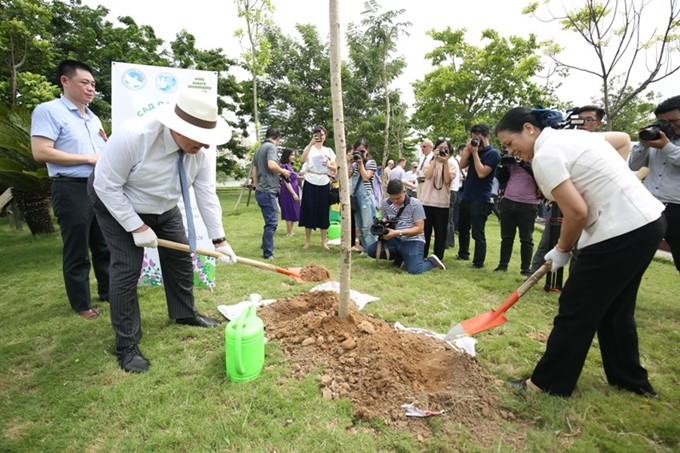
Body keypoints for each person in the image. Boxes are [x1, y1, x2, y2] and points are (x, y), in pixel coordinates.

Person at [496, 106, 665, 398]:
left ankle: (547, 384)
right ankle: (629, 379)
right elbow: (623, 139)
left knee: (576, 308)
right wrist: (610, 185)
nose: (512, 152)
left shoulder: (546, 156)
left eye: (511, 144)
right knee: (617, 308)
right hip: (648, 223)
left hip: (618, 232)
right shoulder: (578, 138)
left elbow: (576, 212)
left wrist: (561, 250)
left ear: (528, 128)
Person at [88, 89, 238, 373]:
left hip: (164, 207)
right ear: (177, 127)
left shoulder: (200, 152)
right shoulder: (134, 136)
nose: (206, 145)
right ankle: (127, 346)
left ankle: (184, 314)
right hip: (117, 203)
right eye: (200, 137)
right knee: (127, 268)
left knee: (180, 261)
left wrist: (220, 240)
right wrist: (137, 226)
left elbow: (205, 194)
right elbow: (106, 186)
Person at [30, 59, 110, 320]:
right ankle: (81, 304)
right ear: (65, 81)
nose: (91, 89)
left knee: (104, 243)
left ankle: (109, 291)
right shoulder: (49, 111)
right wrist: (88, 158)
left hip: (99, 186)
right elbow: (41, 152)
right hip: (70, 187)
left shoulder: (93, 116)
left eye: (93, 84)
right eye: (84, 82)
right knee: (77, 247)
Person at [629, 95, 680, 273]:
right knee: (633, 258)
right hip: (650, 205)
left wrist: (666, 146)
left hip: (677, 208)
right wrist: (643, 144)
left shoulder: (664, 144)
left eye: (673, 120)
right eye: (664, 122)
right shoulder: (658, 139)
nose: (670, 126)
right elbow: (634, 165)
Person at [365, 180, 446, 274]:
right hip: (394, 239)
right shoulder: (385, 204)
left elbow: (420, 229)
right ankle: (401, 258)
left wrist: (398, 232)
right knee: (371, 250)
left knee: (414, 270)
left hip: (413, 240)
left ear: (404, 192)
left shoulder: (415, 204)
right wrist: (383, 226)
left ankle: (432, 261)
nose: (395, 201)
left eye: (398, 198)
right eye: (392, 198)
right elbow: (385, 220)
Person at [456, 124, 501, 268]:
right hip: (467, 195)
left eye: (479, 138)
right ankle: (463, 253)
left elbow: (482, 173)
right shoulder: (473, 150)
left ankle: (478, 262)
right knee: (462, 227)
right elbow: (462, 165)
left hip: (481, 198)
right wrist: (469, 151)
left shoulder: (493, 153)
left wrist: (475, 153)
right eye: (474, 138)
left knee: (477, 232)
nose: (477, 141)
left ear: (487, 136)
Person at [493, 152, 539, 276]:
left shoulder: (536, 159)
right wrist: (504, 165)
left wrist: (523, 163)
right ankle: (503, 265)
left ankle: (525, 268)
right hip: (508, 200)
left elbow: (539, 177)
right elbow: (502, 179)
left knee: (526, 238)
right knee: (506, 237)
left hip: (528, 203)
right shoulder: (512, 159)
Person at [251, 128, 291, 259]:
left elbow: (254, 170)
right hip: (268, 190)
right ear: (277, 137)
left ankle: (265, 245)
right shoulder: (271, 147)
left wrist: (256, 186)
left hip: (261, 190)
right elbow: (272, 165)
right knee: (272, 222)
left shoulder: (259, 150)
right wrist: (284, 172)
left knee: (269, 221)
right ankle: (268, 253)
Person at [299, 125, 337, 250]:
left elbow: (336, 168)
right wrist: (310, 144)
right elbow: (302, 160)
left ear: (325, 136)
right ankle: (308, 240)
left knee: (323, 210)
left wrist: (329, 165)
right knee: (308, 209)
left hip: (324, 181)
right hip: (310, 180)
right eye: (317, 135)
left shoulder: (329, 151)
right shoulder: (309, 148)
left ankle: (324, 241)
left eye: (322, 135)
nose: (320, 137)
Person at [420, 138, 455, 260]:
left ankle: (437, 257)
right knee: (425, 231)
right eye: (440, 148)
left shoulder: (451, 164)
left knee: (440, 233)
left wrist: (445, 162)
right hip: (427, 201)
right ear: (435, 149)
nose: (443, 151)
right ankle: (422, 255)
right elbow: (428, 175)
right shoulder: (428, 162)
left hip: (442, 204)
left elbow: (447, 180)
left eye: (445, 149)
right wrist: (435, 160)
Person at [349, 138, 378, 251]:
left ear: (367, 150)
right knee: (360, 227)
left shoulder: (371, 163)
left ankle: (372, 250)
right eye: (357, 151)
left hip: (366, 197)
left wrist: (361, 163)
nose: (360, 154)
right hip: (356, 197)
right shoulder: (354, 165)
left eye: (362, 151)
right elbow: (346, 176)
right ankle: (366, 249)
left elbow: (366, 177)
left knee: (368, 226)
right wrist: (348, 160)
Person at [278, 148, 301, 237]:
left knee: (293, 209)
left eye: (294, 155)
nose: (293, 157)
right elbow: (286, 181)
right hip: (288, 191)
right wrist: (293, 193)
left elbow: (294, 177)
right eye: (291, 155)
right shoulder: (284, 167)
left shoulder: (289, 166)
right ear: (287, 155)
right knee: (289, 210)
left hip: (294, 189)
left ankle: (291, 230)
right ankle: (289, 232)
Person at [446, 147, 462, 249]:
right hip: (455, 191)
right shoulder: (454, 161)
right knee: (450, 219)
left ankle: (446, 243)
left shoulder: (449, 162)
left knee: (446, 218)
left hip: (450, 191)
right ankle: (450, 242)